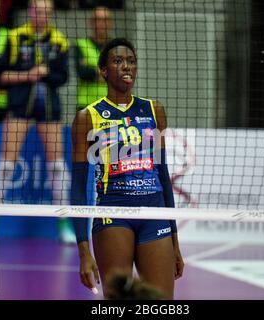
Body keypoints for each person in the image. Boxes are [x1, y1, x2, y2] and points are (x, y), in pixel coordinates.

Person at [71, 38, 184, 299]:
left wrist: (175, 241)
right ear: (103, 70)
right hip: (113, 213)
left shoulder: (154, 110)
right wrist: (83, 250)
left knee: (161, 303)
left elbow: (163, 175)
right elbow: (78, 186)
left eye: (131, 61)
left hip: (154, 213)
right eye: (118, 61)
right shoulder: (88, 117)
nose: (126, 67)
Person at [0, 0, 74, 245]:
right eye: (37, 10)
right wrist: (29, 75)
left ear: (51, 14)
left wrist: (47, 73)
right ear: (30, 11)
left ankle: (63, 224)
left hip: (49, 110)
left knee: (57, 166)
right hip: (19, 108)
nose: (41, 15)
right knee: (6, 166)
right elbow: (2, 75)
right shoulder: (14, 38)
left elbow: (63, 77)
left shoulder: (60, 41)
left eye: (46, 12)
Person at [75, 6, 113, 111]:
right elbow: (82, 73)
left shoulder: (117, 47)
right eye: (98, 20)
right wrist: (108, 73)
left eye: (105, 20)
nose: (101, 24)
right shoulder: (81, 44)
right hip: (86, 105)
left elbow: (119, 75)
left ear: (110, 23)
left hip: (113, 105)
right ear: (91, 22)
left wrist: (94, 71)